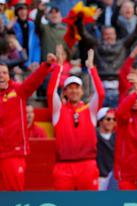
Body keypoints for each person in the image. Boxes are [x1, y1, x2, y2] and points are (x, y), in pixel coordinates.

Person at [49, 47, 104, 190]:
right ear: (65, 91)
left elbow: (101, 93)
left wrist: (91, 69)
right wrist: (59, 67)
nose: (73, 90)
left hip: (87, 165)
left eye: (77, 87)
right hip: (63, 167)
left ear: (82, 91)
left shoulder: (90, 110)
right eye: (70, 88)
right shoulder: (58, 110)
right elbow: (50, 93)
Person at [0, 55, 55, 191]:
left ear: (9, 76)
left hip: (12, 154)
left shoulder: (18, 91)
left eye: (4, 73)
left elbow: (33, 81)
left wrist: (46, 65)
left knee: (13, 198)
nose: (1, 76)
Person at [96, 107, 117, 191]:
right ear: (100, 121)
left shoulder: (117, 137)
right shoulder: (94, 136)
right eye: (108, 119)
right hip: (98, 177)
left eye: (114, 119)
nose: (111, 122)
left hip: (113, 178)